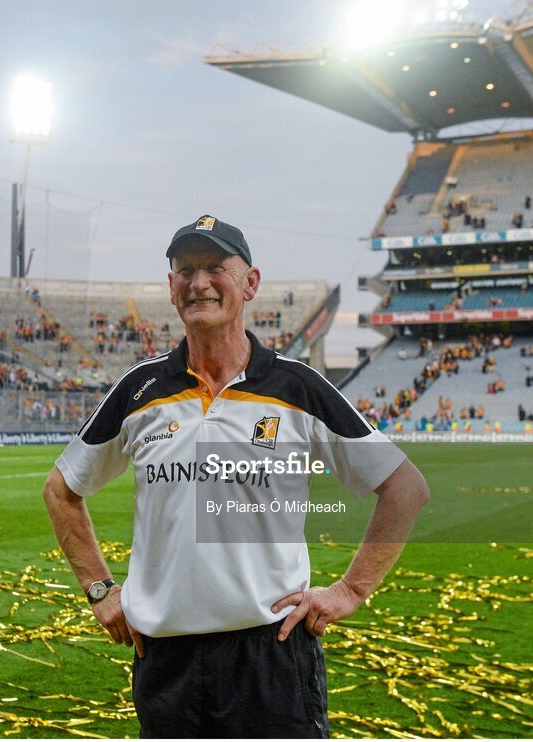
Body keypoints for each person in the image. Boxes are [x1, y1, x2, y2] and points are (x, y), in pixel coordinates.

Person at [43, 215, 430, 738]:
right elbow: (61, 489)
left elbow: (405, 487)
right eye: (185, 270)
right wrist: (100, 591)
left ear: (249, 283)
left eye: (214, 268)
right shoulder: (141, 390)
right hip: (166, 661)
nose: (198, 282)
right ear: (172, 287)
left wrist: (349, 591)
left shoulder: (297, 387)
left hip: (270, 655)